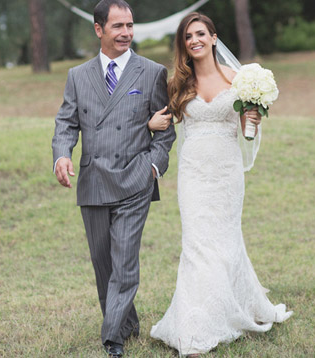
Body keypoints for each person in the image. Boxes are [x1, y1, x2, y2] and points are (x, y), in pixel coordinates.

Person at [147, 12, 292, 356]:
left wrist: (252, 120)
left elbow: (246, 130)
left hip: (226, 174)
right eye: (188, 36)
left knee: (226, 243)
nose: (194, 40)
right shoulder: (179, 83)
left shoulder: (240, 80)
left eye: (200, 33)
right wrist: (151, 124)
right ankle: (195, 329)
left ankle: (232, 309)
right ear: (184, 44)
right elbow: (162, 121)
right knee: (197, 245)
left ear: (214, 38)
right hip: (194, 174)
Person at [51, 0, 176, 356]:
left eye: (130, 26)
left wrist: (153, 167)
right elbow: (66, 122)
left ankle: (112, 339)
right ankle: (127, 323)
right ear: (98, 29)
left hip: (135, 179)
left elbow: (165, 132)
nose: (126, 33)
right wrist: (62, 155)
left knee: (124, 261)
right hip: (92, 180)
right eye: (118, 26)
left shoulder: (151, 72)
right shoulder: (78, 76)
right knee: (103, 263)